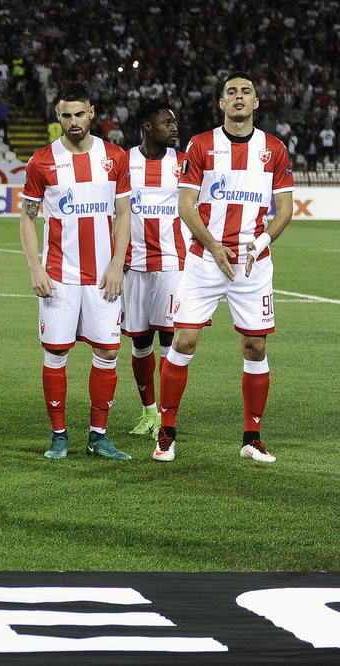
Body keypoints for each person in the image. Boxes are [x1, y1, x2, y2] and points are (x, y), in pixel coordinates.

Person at [156, 71, 294, 463]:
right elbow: (186, 205)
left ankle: (252, 438)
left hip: (253, 264)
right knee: (184, 341)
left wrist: (261, 243)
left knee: (255, 345)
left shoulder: (274, 149)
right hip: (204, 260)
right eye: (231, 92)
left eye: (245, 92)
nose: (238, 96)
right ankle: (166, 432)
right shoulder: (201, 145)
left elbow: (284, 209)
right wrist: (214, 246)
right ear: (221, 103)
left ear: (255, 102)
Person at [19, 83, 133, 461]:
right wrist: (35, 267)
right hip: (59, 275)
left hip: (104, 276)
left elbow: (123, 214)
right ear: (58, 117)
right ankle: (59, 437)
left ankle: (98, 436)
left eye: (79, 114)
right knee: (56, 353)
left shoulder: (114, 157)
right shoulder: (41, 161)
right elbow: (28, 218)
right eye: (66, 115)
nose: (73, 122)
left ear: (91, 113)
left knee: (108, 351)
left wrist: (117, 264)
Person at [121, 99, 188, 440]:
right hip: (133, 265)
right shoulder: (124, 162)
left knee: (170, 341)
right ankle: (148, 411)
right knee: (140, 342)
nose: (174, 127)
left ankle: (166, 415)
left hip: (173, 264)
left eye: (174, 121)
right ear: (148, 127)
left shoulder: (183, 163)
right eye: (167, 122)